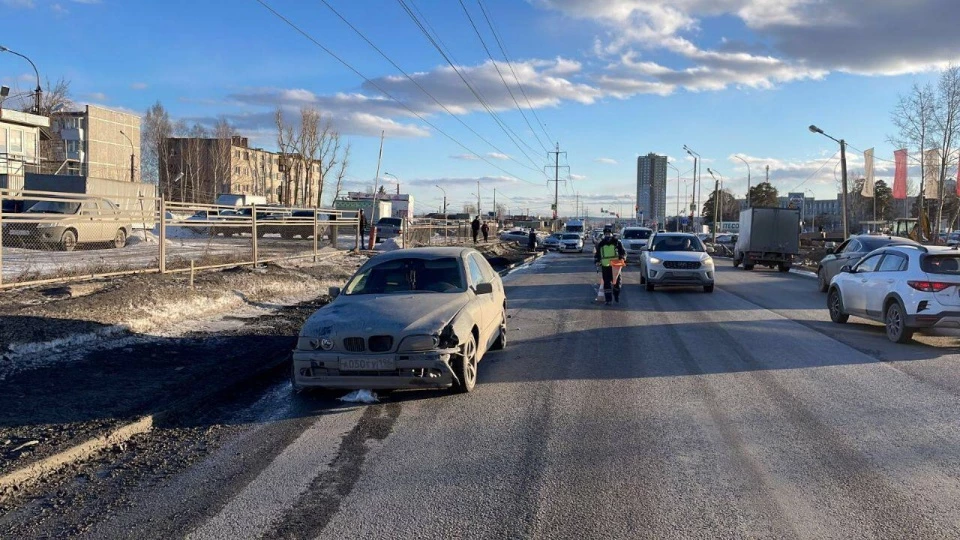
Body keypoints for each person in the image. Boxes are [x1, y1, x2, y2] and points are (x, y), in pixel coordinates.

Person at [594, 226, 626, 305]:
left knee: (617, 283)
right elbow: (597, 254)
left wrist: (623, 257)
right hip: (605, 266)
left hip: (616, 265)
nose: (608, 235)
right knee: (607, 283)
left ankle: (616, 294)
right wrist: (597, 261)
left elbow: (623, 252)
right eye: (606, 234)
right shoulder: (601, 244)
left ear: (612, 234)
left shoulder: (617, 242)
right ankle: (608, 300)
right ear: (604, 234)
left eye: (609, 233)